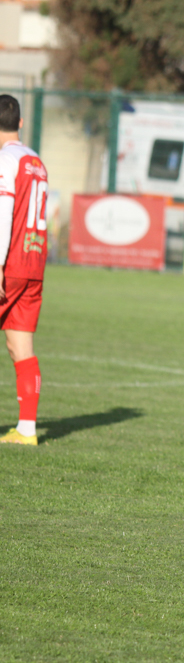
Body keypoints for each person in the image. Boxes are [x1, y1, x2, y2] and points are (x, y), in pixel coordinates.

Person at [0, 94, 47, 447]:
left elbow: (3, 214)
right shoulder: (36, 160)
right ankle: (27, 430)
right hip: (34, 262)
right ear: (20, 123)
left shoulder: (5, 160)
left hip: (10, 263)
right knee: (20, 346)